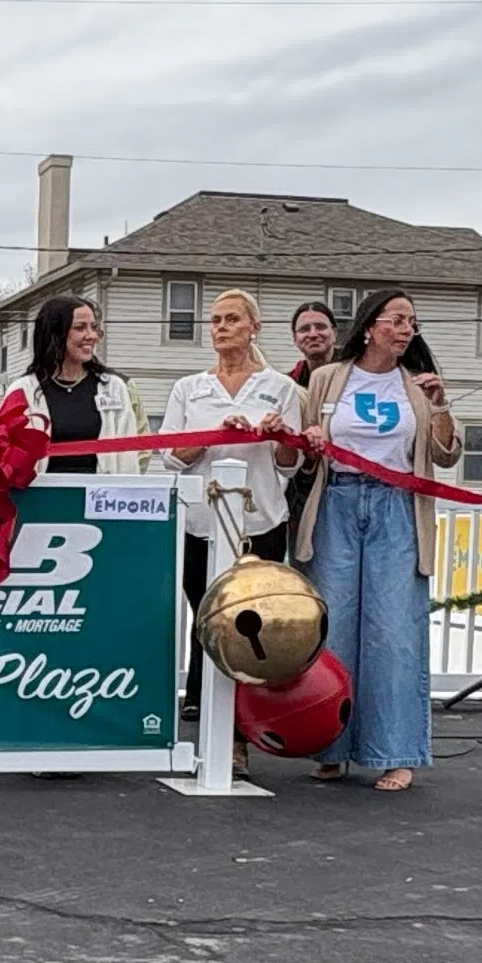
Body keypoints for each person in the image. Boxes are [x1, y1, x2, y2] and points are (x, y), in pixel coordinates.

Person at [293, 289, 457, 790]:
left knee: (393, 631)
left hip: (395, 507)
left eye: (413, 322)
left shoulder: (416, 386)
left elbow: (446, 456)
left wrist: (441, 406)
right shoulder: (326, 378)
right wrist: (311, 444)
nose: (407, 329)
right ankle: (330, 744)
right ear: (369, 327)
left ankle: (397, 750)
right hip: (337, 501)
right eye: (397, 320)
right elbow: (305, 451)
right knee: (334, 626)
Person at [161, 289, 305, 748]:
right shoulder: (189, 388)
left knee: (250, 625)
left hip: (258, 522)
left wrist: (281, 435)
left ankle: (240, 733)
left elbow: (289, 463)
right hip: (201, 523)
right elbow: (170, 457)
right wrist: (211, 437)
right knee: (207, 617)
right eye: (216, 320)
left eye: (231, 319)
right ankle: (205, 716)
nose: (221, 327)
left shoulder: (280, 388)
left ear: (253, 328)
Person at [5, 295, 145, 474]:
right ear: (55, 333)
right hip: (41, 497)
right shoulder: (22, 391)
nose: (91, 335)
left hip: (100, 498)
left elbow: (128, 457)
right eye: (80, 328)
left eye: (93, 327)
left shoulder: (114, 387)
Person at [281, 300, 343, 525]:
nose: (313, 334)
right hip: (301, 491)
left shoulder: (355, 377)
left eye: (321, 327)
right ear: (295, 338)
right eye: (304, 329)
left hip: (344, 483)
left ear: (334, 333)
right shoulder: (287, 386)